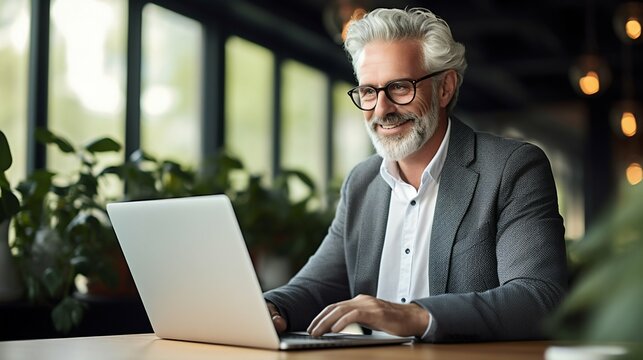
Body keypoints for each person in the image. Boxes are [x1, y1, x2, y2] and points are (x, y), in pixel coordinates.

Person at [264, 7, 567, 343]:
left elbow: (539, 299)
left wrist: (415, 315)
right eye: (368, 91)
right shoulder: (362, 183)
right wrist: (270, 307)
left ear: (444, 88)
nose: (382, 110)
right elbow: (317, 286)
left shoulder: (512, 168)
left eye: (399, 87)